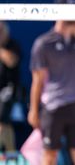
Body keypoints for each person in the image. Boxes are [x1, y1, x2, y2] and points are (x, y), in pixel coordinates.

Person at [28, 0, 75, 165]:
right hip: (53, 106)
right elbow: (37, 80)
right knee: (49, 156)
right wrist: (33, 110)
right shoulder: (43, 43)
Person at [0, 21, 21, 155]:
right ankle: (11, 152)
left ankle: (11, 153)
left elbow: (11, 61)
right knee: (5, 126)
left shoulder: (13, 45)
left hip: (7, 90)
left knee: (1, 122)